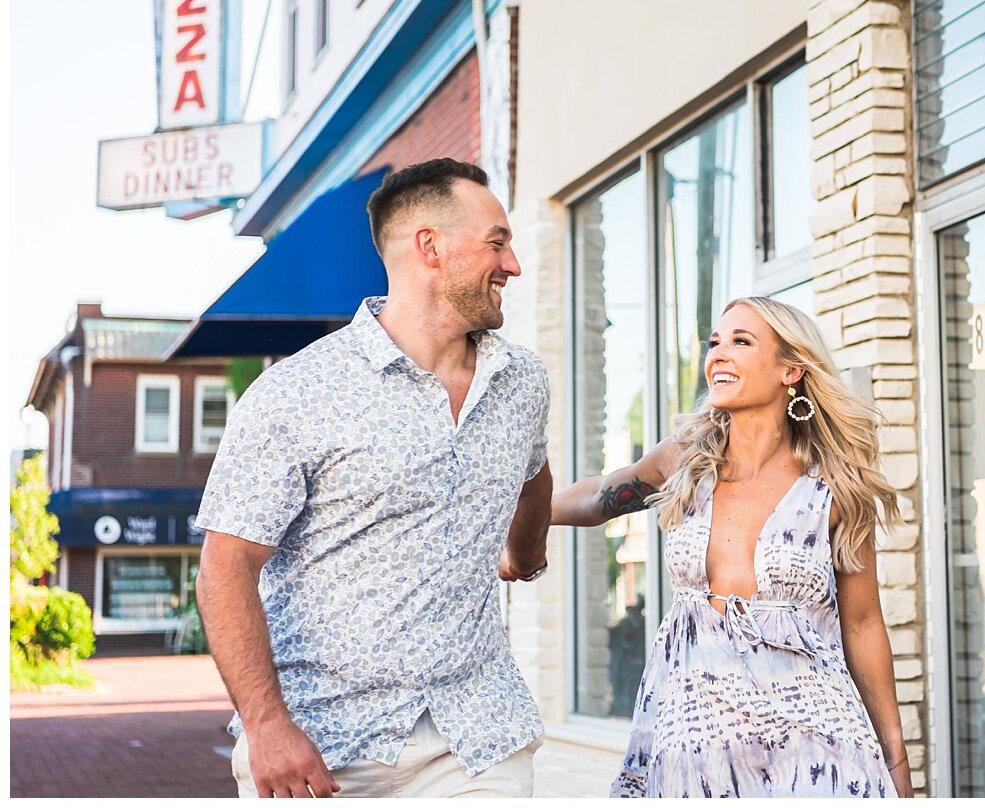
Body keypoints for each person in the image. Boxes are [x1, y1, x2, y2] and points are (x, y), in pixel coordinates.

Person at [195, 158, 553, 798]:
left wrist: (526, 554)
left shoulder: (521, 382)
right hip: (323, 750)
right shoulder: (297, 392)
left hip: (478, 737)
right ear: (430, 247)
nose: (513, 265)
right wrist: (266, 724)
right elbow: (226, 566)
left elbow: (533, 472)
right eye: (497, 243)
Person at [553, 296, 913, 798]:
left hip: (815, 745)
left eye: (741, 342)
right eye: (715, 342)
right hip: (696, 746)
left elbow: (863, 622)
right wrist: (510, 515)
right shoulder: (683, 462)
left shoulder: (834, 487)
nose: (718, 354)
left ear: (791, 370)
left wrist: (895, 757)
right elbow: (597, 495)